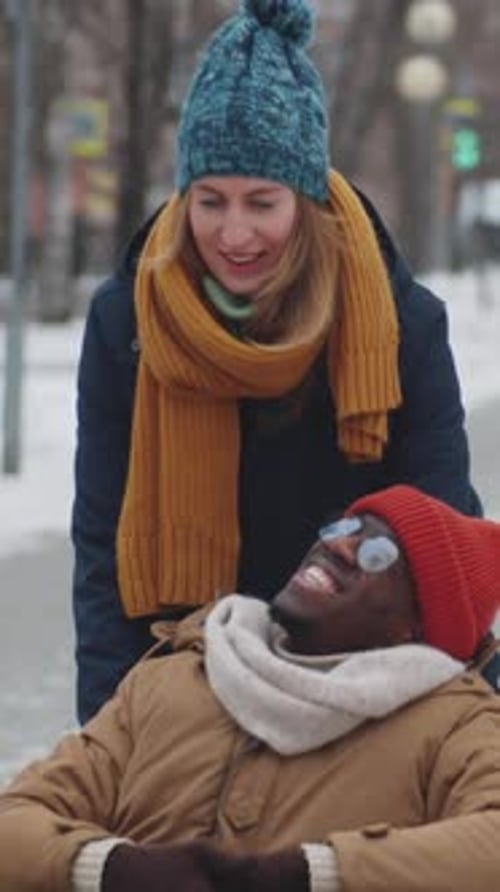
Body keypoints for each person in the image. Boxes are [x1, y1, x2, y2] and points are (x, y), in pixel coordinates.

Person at [72, 0, 482, 724]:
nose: (234, 234)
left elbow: (440, 535)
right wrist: (115, 727)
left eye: (262, 202)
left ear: (307, 198)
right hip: (184, 675)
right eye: (209, 201)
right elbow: (103, 552)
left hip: (356, 682)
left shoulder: (399, 323)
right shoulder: (130, 324)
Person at [3, 484, 500, 892]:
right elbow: (16, 817)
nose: (341, 545)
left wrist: (312, 874)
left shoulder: (453, 722)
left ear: (414, 626)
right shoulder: (176, 676)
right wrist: (110, 868)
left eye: (377, 554)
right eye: (348, 526)